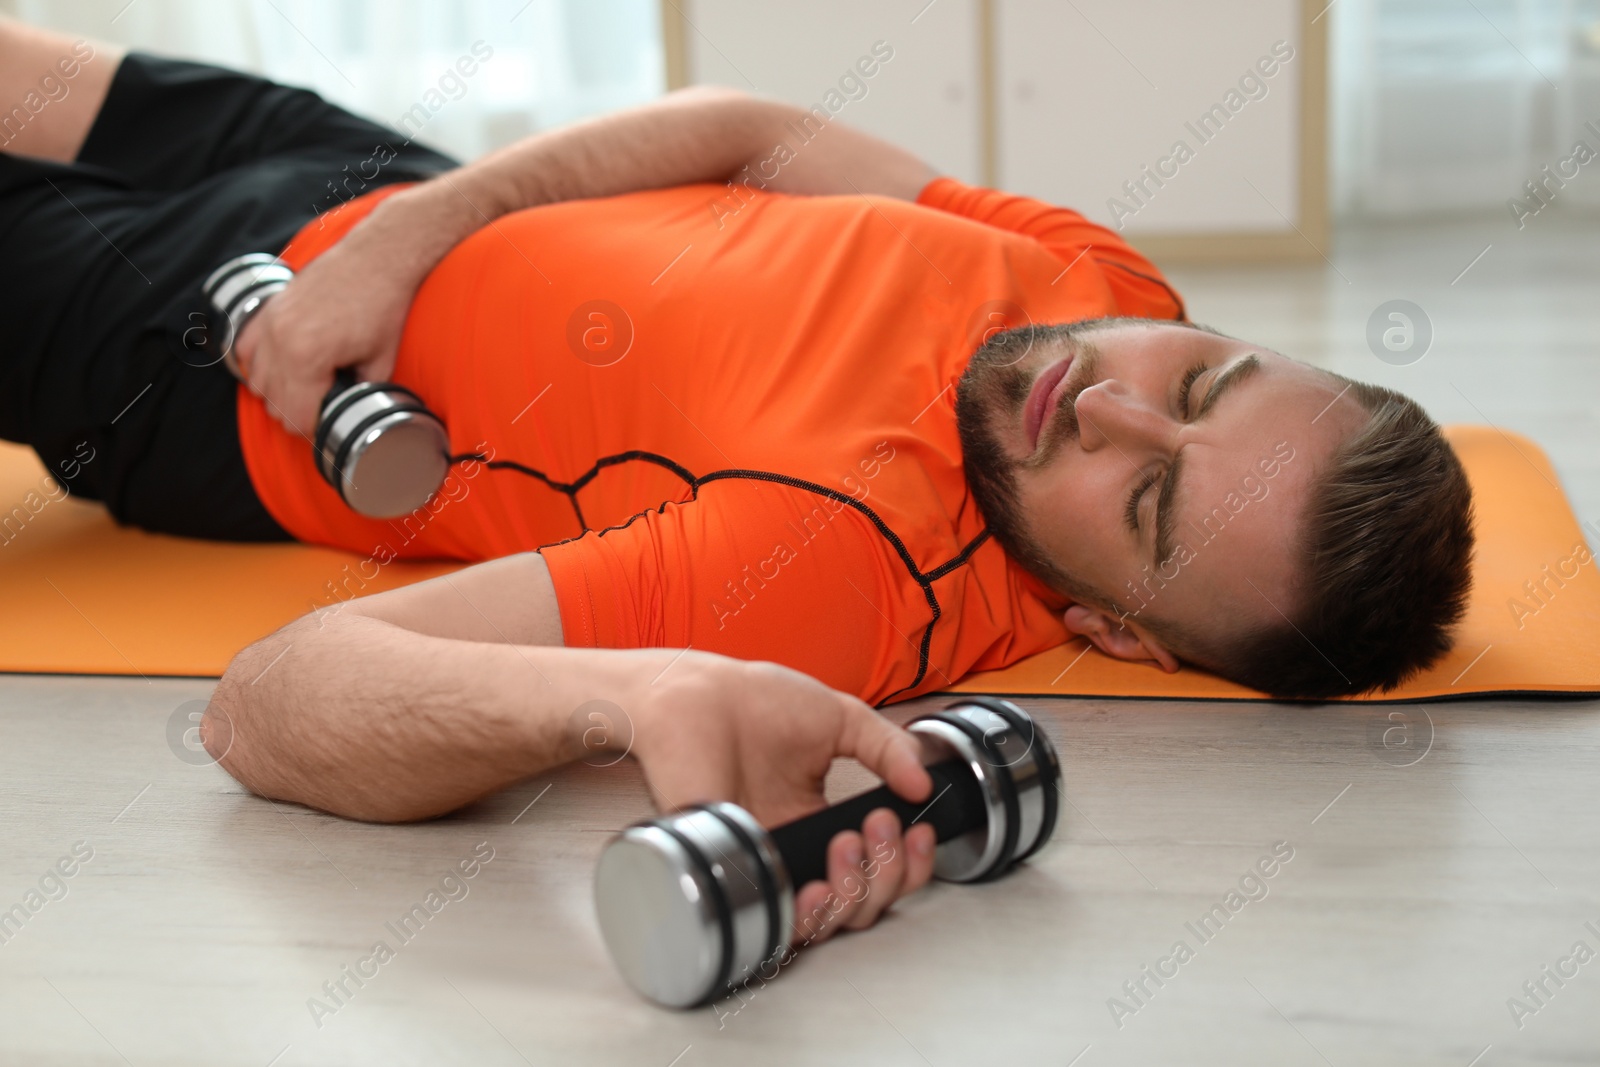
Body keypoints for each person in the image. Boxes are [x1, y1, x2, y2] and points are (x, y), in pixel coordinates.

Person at [1, 25, 1474, 939]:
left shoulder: (838, 562)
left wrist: (627, 697)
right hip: (380, 184)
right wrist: (424, 223)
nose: (1111, 407)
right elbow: (745, 129)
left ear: (1121, 636)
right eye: (1203, 381)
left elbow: (265, 702)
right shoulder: (1102, 286)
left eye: (1153, 506)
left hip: (224, 364)